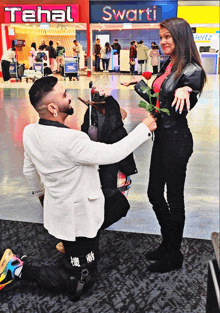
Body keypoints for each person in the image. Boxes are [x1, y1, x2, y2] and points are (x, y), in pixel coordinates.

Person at [0, 76, 156, 299]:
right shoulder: (72, 139)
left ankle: (74, 249)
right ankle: (16, 269)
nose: (70, 96)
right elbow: (113, 154)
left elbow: (29, 171)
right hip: (79, 218)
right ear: (53, 107)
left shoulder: (30, 132)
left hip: (61, 213)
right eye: (64, 94)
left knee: (118, 204)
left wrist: (42, 197)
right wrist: (144, 128)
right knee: (80, 282)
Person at [122, 17, 206, 273]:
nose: (163, 42)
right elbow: (160, 101)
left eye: (168, 37)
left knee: (174, 198)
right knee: (154, 193)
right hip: (162, 138)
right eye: (161, 37)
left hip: (177, 142)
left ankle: (173, 253)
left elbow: (189, 88)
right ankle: (169, 244)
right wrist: (138, 85)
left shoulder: (192, 70)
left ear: (180, 37)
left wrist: (187, 91)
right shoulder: (170, 65)